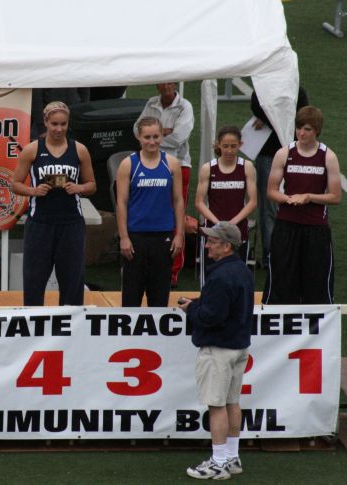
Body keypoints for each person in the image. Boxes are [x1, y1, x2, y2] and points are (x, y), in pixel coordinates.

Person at [177, 221, 254, 480]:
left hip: (219, 349)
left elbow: (212, 316)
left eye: (212, 241)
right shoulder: (241, 270)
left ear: (227, 246)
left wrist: (191, 309)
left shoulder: (220, 276)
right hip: (238, 346)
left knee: (216, 405)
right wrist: (200, 303)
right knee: (232, 402)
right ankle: (232, 457)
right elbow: (227, 306)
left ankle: (218, 462)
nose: (207, 245)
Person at [12, 101, 96, 306]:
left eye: (63, 124)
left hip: (71, 223)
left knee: (72, 279)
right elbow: (14, 184)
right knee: (34, 279)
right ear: (46, 123)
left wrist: (79, 188)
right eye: (54, 124)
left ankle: (70, 328)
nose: (59, 129)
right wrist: (33, 191)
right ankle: (33, 326)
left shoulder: (79, 150)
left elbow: (92, 184)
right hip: (40, 223)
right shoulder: (32, 150)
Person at [263, 106, 341, 305]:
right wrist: (289, 199)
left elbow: (335, 196)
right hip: (286, 226)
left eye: (307, 129)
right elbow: (271, 191)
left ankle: (317, 328)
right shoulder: (284, 153)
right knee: (281, 278)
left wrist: (308, 197)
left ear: (316, 130)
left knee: (316, 280)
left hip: (316, 228)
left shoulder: (328, 157)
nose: (301, 133)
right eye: (299, 128)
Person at [116, 117, 184, 307]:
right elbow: (121, 203)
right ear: (139, 137)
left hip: (163, 236)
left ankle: (156, 336)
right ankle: (130, 336)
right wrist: (123, 237)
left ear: (162, 136)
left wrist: (179, 235)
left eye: (156, 136)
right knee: (131, 294)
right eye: (147, 137)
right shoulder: (128, 164)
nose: (152, 141)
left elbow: (178, 201)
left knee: (159, 295)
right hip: (136, 237)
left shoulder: (171, 164)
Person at [135, 83, 194, 288]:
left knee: (177, 217)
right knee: (151, 213)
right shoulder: (152, 103)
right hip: (151, 164)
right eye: (164, 82)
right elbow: (136, 129)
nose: (167, 86)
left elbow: (179, 138)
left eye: (171, 82)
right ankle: (150, 267)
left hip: (178, 165)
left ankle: (173, 271)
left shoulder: (185, 106)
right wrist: (162, 133)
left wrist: (153, 137)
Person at [250, 87, 309, 267]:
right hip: (269, 154)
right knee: (269, 207)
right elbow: (256, 105)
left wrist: (267, 118)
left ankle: (283, 252)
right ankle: (271, 254)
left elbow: (300, 114)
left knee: (288, 205)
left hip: (290, 155)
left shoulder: (297, 90)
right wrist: (272, 116)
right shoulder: (265, 87)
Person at [194, 126, 257, 287]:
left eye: (233, 146)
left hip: (238, 232)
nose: (229, 150)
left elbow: (252, 201)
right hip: (213, 232)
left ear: (240, 145)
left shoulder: (247, 167)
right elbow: (199, 202)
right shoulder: (208, 168)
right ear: (219, 145)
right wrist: (219, 224)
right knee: (209, 279)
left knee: (237, 278)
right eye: (226, 146)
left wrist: (232, 223)